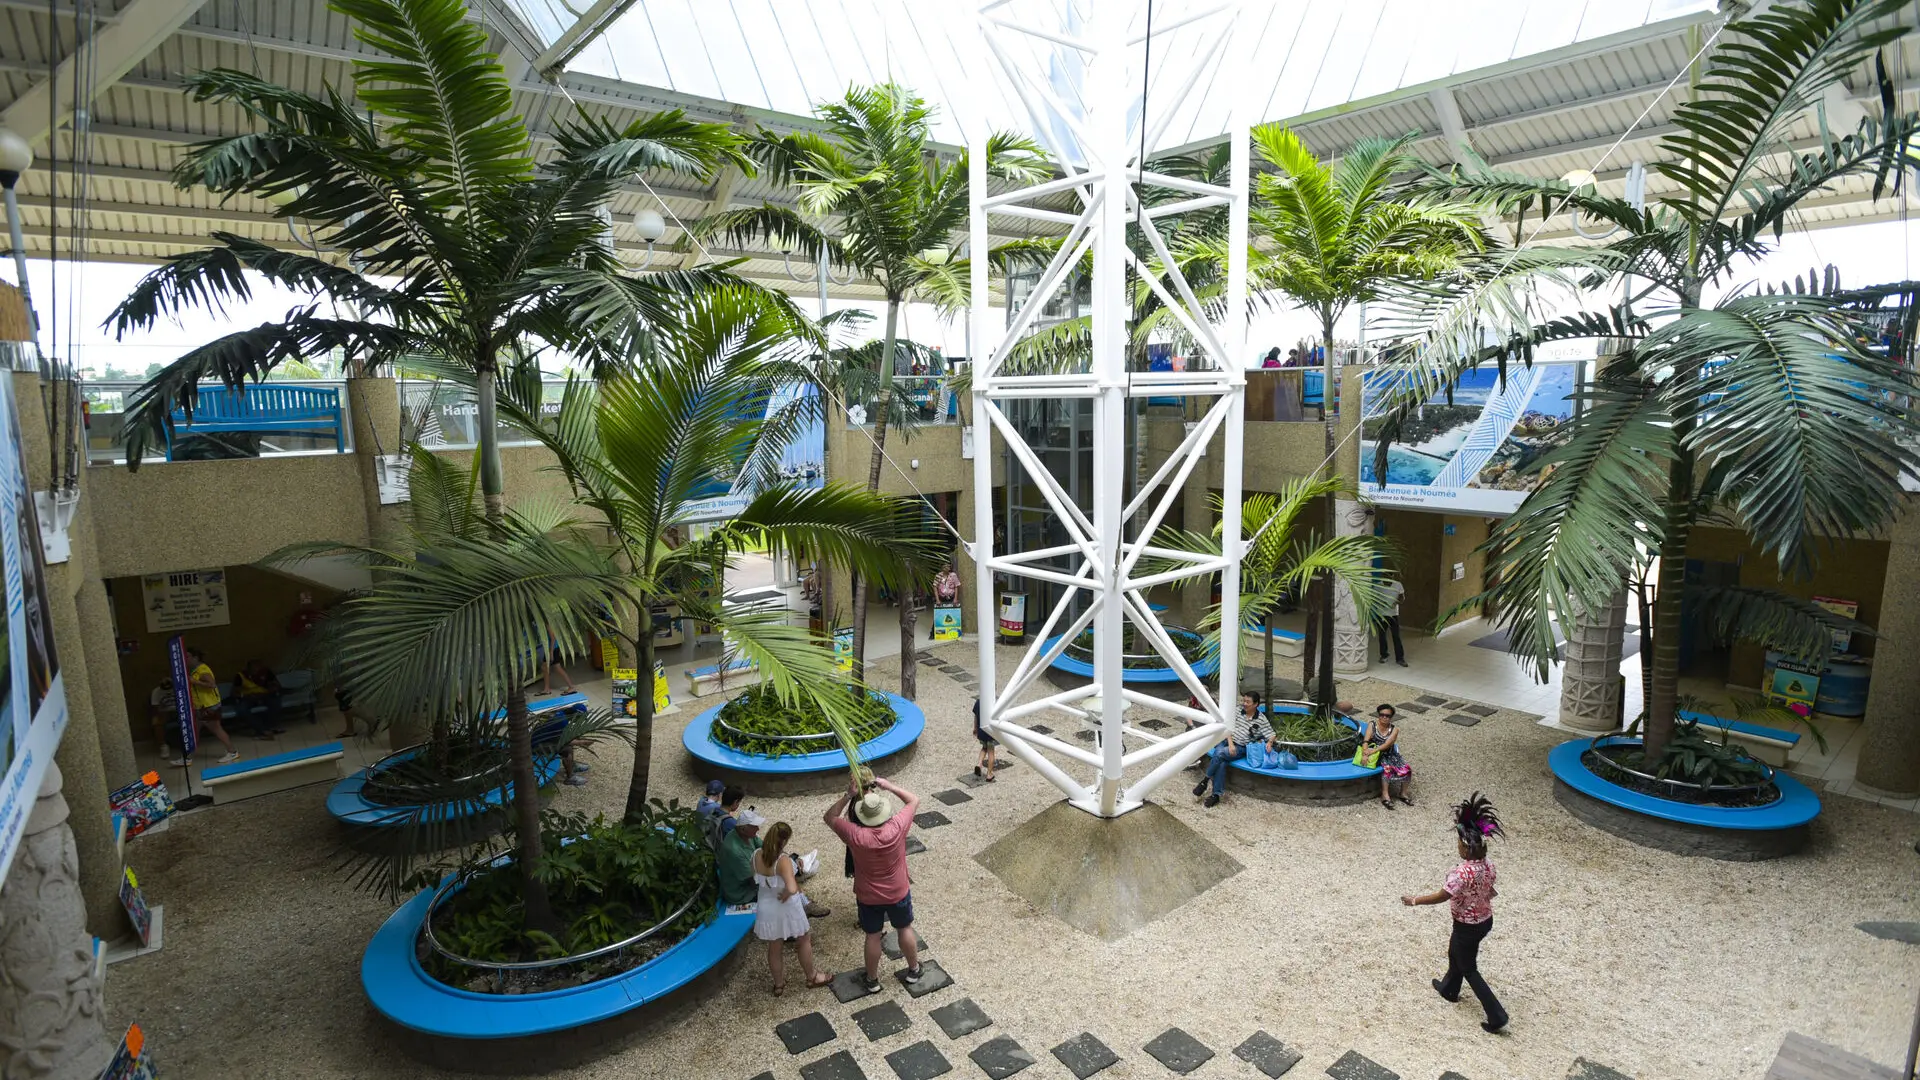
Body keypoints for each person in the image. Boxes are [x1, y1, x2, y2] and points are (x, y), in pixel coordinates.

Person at [1402, 792, 1509, 1034]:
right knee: (1456, 952)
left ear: (1466, 848)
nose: (1458, 847)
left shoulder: (1461, 873)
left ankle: (1496, 1014)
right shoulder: (1489, 865)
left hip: (1467, 925)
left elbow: (1443, 895)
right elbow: (1489, 888)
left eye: (1459, 844)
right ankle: (1449, 989)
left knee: (1469, 966)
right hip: (1484, 919)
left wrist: (1415, 900)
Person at [825, 775, 923, 993]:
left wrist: (847, 795)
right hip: (898, 891)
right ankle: (914, 969)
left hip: (868, 895)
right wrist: (889, 786)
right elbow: (914, 800)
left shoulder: (856, 835)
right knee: (904, 928)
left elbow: (830, 816)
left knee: (872, 935)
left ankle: (872, 980)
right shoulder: (897, 827)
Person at [752, 821, 832, 995]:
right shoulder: (783, 860)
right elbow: (792, 887)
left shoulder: (757, 854)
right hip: (786, 907)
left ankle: (779, 984)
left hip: (767, 906)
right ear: (785, 840)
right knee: (803, 939)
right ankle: (812, 976)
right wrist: (787, 894)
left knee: (774, 947)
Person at [1192, 690, 1270, 808]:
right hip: (1227, 741)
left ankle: (1205, 781)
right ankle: (1216, 795)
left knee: (1220, 753)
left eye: (1248, 702)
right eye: (1244, 700)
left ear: (1256, 704)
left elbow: (1271, 733)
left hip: (1241, 747)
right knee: (1221, 762)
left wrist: (1270, 742)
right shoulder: (1238, 711)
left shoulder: (1261, 719)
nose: (1244, 703)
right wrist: (1230, 743)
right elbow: (1227, 726)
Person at [180, 648, 239, 764]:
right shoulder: (194, 670)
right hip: (201, 706)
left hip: (209, 706)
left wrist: (195, 682)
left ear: (195, 658)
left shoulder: (202, 670)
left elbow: (211, 684)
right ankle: (187, 757)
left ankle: (232, 752)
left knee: (215, 729)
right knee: (194, 731)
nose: (185, 659)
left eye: (188, 656)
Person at [1364, 704, 1412, 808]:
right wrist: (1365, 752)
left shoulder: (1394, 729)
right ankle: (1385, 795)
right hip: (1376, 755)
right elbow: (1366, 740)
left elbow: (1387, 744)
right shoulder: (1372, 724)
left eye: (1387, 716)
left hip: (1388, 753)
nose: (1384, 717)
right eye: (1382, 715)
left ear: (1391, 717)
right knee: (1387, 769)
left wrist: (1372, 751)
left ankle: (1403, 793)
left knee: (1407, 769)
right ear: (1378, 715)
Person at [716, 807, 765, 907]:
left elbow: (765, 847)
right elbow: (753, 881)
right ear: (743, 829)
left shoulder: (747, 835)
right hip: (741, 893)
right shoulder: (735, 851)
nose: (758, 829)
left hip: (752, 876)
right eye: (755, 826)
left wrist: (785, 858)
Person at [232, 660, 284, 738]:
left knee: (275, 703)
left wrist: (270, 690)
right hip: (248, 697)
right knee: (242, 710)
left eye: (258, 669)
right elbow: (234, 692)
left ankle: (269, 727)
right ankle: (262, 729)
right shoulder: (241, 676)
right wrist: (244, 695)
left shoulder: (266, 672)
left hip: (265, 695)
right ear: (248, 669)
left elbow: (277, 685)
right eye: (253, 670)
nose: (256, 671)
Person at [1376, 575, 1408, 667]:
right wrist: (1380, 602)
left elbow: (1402, 598)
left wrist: (1396, 602)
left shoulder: (1398, 585)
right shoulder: (1379, 585)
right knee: (1382, 636)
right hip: (1381, 614)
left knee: (1396, 636)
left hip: (1394, 615)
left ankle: (1400, 658)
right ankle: (1384, 655)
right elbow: (1375, 599)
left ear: (1393, 576)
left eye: (1390, 576)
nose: (1389, 578)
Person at [973, 699, 998, 782]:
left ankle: (979, 764)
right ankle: (989, 774)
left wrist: (975, 728)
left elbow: (976, 716)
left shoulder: (978, 702)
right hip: (990, 732)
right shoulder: (994, 703)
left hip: (981, 730)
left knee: (984, 748)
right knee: (991, 752)